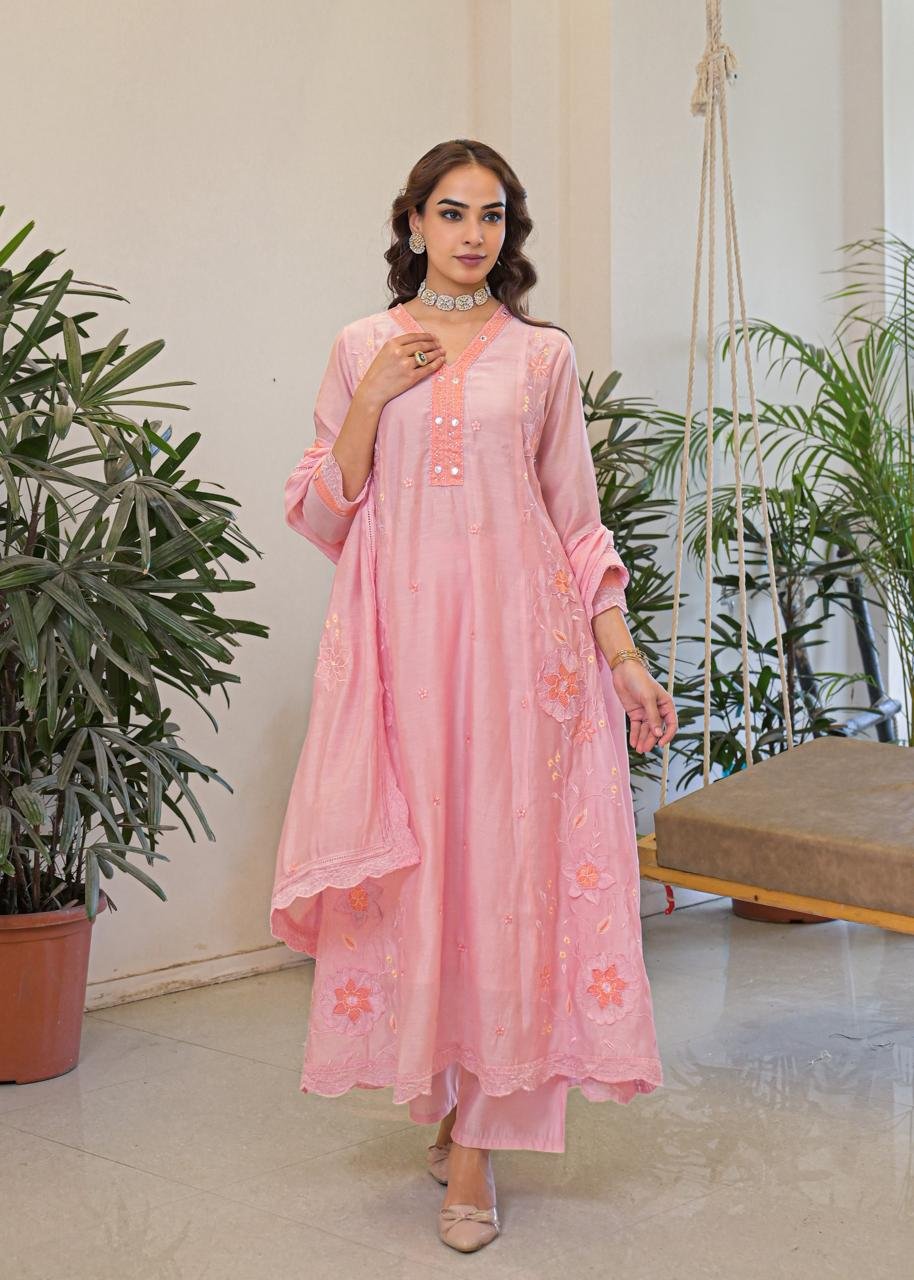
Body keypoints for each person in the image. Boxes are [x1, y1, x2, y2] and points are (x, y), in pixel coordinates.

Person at [271, 139, 678, 1255]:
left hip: (521, 661)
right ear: (412, 223)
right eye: (450, 212)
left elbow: (574, 520)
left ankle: (479, 1151)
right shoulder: (362, 345)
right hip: (403, 656)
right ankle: (448, 1094)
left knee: (506, 881)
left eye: (490, 215)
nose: (470, 234)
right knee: (428, 879)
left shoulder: (541, 356)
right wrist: (372, 398)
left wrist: (622, 654)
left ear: (509, 231)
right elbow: (322, 511)